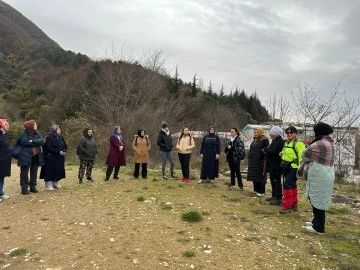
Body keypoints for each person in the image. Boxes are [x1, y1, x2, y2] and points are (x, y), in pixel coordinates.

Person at [297, 122, 335, 234]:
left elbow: (304, 155)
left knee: (318, 199)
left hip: (320, 174)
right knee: (317, 198)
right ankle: (315, 221)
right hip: (326, 173)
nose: (314, 134)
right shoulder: (330, 142)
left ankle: (319, 227)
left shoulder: (319, 144)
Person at [279, 126, 306, 214]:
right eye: (288, 133)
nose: (289, 134)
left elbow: (302, 158)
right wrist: (282, 154)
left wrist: (300, 172)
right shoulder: (287, 143)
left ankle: (287, 206)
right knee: (292, 186)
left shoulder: (299, 144)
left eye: (292, 133)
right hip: (287, 167)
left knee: (287, 186)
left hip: (294, 168)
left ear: (295, 134)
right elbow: (287, 154)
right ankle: (294, 204)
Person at [18, 120, 45, 194]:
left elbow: (42, 141)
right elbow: (24, 142)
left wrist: (31, 141)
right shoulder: (24, 133)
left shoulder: (37, 133)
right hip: (25, 156)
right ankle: (24, 189)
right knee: (24, 173)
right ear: (30, 126)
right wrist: (36, 142)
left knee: (34, 172)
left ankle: (33, 187)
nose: (36, 125)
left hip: (36, 156)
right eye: (35, 124)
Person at [40, 124, 67, 190]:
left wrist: (64, 151)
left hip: (59, 157)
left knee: (58, 170)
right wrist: (58, 151)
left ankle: (55, 182)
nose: (59, 130)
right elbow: (48, 147)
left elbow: (65, 145)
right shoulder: (49, 137)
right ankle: (48, 184)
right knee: (50, 170)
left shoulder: (61, 137)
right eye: (58, 129)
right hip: (50, 158)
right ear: (54, 130)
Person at [263, 126, 285, 205]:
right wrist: (266, 150)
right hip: (272, 164)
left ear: (275, 133)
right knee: (273, 180)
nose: (270, 134)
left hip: (276, 164)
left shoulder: (280, 141)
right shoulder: (274, 140)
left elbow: (274, 151)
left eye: (271, 133)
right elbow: (269, 149)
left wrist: (266, 150)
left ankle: (278, 197)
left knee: (277, 181)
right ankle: (274, 195)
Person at [247, 127, 269, 196]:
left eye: (257, 132)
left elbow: (266, 150)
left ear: (261, 132)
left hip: (260, 161)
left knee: (260, 175)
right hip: (253, 160)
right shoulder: (254, 140)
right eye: (255, 132)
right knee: (254, 175)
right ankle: (256, 189)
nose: (256, 134)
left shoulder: (264, 140)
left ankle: (261, 191)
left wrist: (262, 156)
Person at [0, 119, 11, 201]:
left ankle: (1, 193)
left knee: (1, 176)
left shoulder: (5, 134)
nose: (8, 125)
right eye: (6, 124)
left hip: (4, 159)